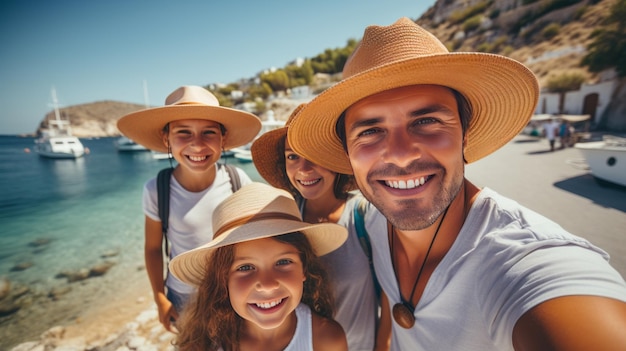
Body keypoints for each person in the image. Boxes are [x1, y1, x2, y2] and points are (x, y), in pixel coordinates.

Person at [287, 17, 626, 350]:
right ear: (348, 154)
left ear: (465, 136)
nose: (402, 156)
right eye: (371, 131)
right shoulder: (376, 220)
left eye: (427, 120)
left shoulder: (528, 261)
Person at [117, 85, 261, 332]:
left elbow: (254, 241)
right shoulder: (157, 189)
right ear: (167, 139)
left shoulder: (237, 181)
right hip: (183, 296)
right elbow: (152, 249)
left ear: (223, 138)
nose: (197, 145)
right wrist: (159, 298)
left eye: (208, 133)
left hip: (232, 290)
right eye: (184, 133)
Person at [251, 104, 389, 351]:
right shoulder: (283, 219)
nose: (304, 169)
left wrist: (382, 346)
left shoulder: (366, 215)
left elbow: (390, 292)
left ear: (336, 159)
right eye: (293, 156)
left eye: (315, 155)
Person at [169, 182, 348, 351]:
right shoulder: (205, 343)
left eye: (283, 262)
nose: (268, 285)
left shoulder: (327, 340)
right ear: (223, 278)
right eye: (246, 267)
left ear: (304, 268)